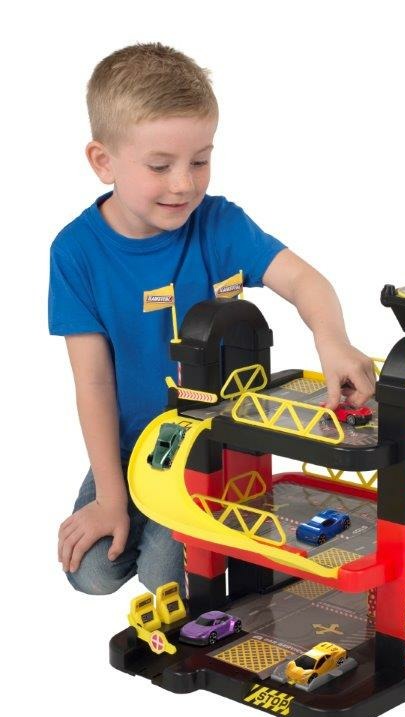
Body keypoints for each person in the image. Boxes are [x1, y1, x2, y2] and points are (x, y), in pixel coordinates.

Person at [49, 42, 375, 596]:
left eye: (200, 160)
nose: (184, 184)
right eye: (160, 166)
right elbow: (94, 382)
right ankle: (146, 516)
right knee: (93, 572)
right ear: (103, 162)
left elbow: (304, 280)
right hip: (136, 445)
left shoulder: (219, 224)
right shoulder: (75, 252)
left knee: (162, 574)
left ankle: (196, 539)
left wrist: (332, 339)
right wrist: (109, 497)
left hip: (215, 448)